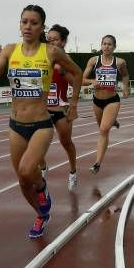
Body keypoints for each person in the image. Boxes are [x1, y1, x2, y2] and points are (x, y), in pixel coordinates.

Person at [0, 5, 83, 239]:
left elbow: (76, 73)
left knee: (28, 170)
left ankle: (42, 188)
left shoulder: (51, 52)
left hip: (41, 124)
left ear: (42, 27)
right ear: (19, 24)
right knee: (22, 179)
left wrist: (74, 105)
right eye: (24, 22)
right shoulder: (9, 51)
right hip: (16, 124)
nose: (28, 26)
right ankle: (41, 215)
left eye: (33, 23)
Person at [82, 35, 130, 174]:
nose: (106, 46)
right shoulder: (93, 61)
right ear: (101, 46)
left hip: (112, 100)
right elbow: (82, 79)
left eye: (109, 44)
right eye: (104, 44)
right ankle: (112, 120)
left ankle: (97, 163)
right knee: (102, 128)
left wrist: (126, 87)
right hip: (97, 101)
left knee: (103, 130)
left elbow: (125, 75)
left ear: (114, 47)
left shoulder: (120, 62)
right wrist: (92, 81)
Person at [40, 24, 79, 191]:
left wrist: (62, 71)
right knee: (36, 142)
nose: (51, 42)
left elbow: (73, 80)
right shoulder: (41, 56)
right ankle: (42, 167)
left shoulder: (66, 58)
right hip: (42, 108)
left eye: (54, 39)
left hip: (60, 109)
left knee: (66, 142)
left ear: (62, 42)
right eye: (48, 39)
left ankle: (73, 172)